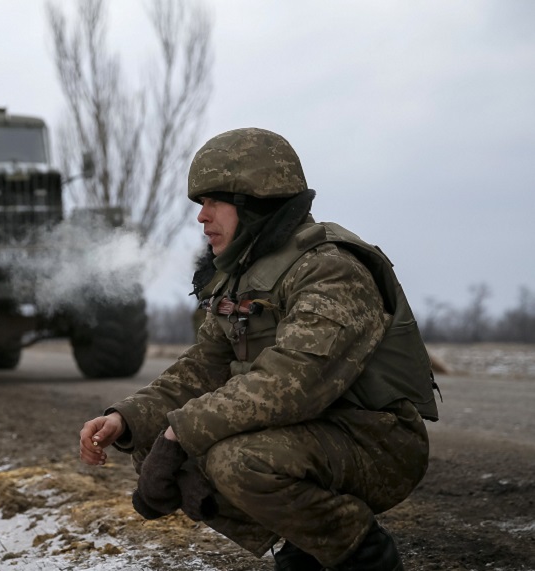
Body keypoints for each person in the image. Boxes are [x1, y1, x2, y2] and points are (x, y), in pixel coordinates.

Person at [80, 128, 439, 571]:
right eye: (200, 205)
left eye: (214, 202)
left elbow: (290, 384)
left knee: (236, 460)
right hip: (313, 433)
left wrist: (181, 432)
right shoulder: (243, 276)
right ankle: (306, 545)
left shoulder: (330, 269)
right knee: (154, 439)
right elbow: (201, 370)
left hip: (376, 440)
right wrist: (126, 418)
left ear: (255, 202)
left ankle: (362, 554)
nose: (202, 217)